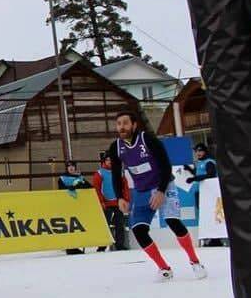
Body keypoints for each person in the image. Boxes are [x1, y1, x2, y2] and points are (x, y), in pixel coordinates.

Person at [108, 110, 207, 281]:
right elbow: (116, 175)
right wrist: (120, 197)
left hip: (164, 184)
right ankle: (164, 269)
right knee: (139, 230)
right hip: (142, 190)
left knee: (173, 221)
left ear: (134, 125)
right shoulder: (115, 147)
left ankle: (195, 262)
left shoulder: (147, 139)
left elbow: (166, 165)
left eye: (125, 123)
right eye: (119, 124)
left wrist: (161, 191)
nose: (121, 127)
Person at [92, 152, 129, 251]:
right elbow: (97, 189)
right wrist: (101, 201)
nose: (110, 162)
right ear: (104, 161)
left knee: (120, 224)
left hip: (118, 202)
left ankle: (120, 245)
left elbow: (125, 187)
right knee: (105, 225)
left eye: (111, 159)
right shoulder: (99, 173)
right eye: (107, 160)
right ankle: (102, 245)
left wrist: (126, 200)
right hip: (106, 203)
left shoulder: (119, 172)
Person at [57, 161, 93, 255]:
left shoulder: (79, 178)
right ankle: (70, 248)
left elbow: (90, 187)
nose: (71, 168)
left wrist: (81, 183)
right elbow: (62, 190)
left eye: (73, 166)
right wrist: (72, 186)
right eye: (69, 166)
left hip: (79, 206)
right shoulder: (62, 178)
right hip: (68, 206)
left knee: (78, 228)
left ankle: (76, 246)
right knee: (70, 227)